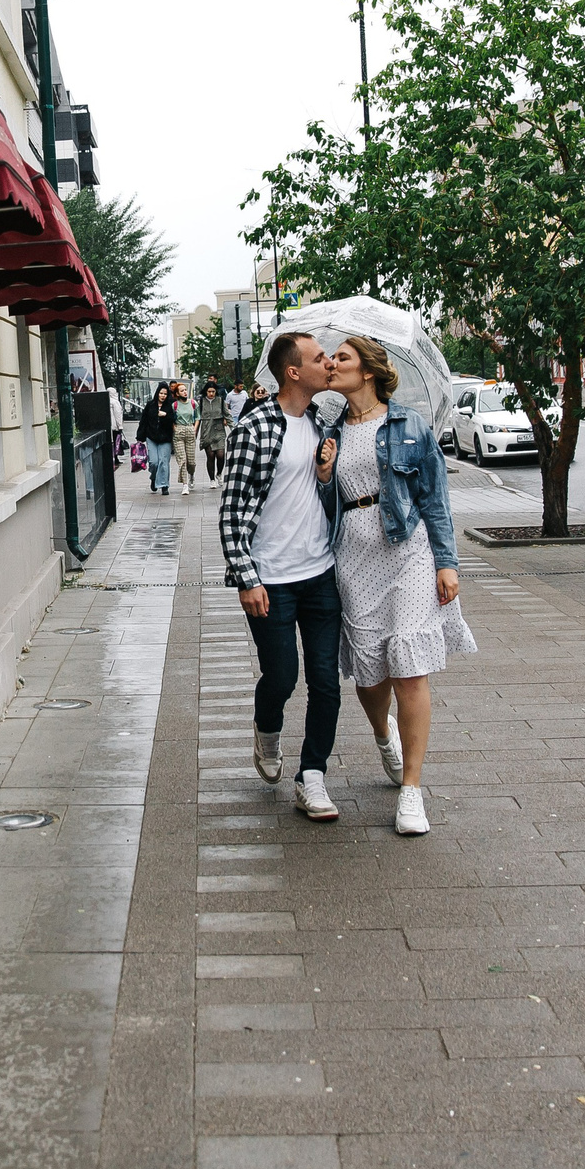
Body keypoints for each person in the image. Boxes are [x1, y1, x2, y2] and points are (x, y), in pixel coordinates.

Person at [316, 335, 474, 836]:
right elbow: (322, 507)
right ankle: (384, 735)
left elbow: (435, 498)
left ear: (367, 370)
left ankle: (411, 790)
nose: (331, 364)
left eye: (341, 357)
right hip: (354, 556)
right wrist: (323, 475)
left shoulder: (408, 425)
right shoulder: (330, 431)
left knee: (408, 664)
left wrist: (446, 563)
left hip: (407, 549)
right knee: (369, 673)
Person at [219, 332, 344, 821]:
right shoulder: (255, 429)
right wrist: (247, 578)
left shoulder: (322, 423)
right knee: (282, 676)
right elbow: (230, 512)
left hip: (320, 574)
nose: (328, 363)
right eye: (318, 358)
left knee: (325, 682)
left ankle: (311, 776)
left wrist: (328, 473)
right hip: (270, 578)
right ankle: (266, 732)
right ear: (293, 372)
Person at [137, 383, 177, 494]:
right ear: (157, 393)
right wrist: (140, 436)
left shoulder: (170, 406)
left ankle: (164, 485)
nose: (163, 396)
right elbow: (143, 421)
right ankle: (154, 478)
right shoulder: (150, 405)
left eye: (165, 394)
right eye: (161, 393)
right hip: (152, 437)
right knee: (154, 462)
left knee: (163, 461)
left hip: (165, 438)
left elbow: (174, 420)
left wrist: (165, 416)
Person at [170, 384, 200, 496]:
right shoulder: (175, 405)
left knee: (191, 461)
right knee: (182, 459)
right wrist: (175, 428)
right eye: (182, 391)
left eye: (185, 390)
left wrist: (195, 428)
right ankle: (185, 484)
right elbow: (171, 418)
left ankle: (191, 474)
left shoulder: (193, 403)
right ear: (177, 393)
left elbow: (198, 417)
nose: (185, 392)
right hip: (179, 431)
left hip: (190, 429)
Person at [199, 381, 228, 481]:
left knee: (221, 455)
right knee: (210, 455)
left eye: (213, 391)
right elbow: (197, 418)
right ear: (206, 392)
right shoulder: (202, 401)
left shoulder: (220, 401)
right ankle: (212, 479)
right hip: (207, 431)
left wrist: (233, 428)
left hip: (219, 430)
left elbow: (227, 414)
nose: (211, 394)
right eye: (209, 391)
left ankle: (219, 473)